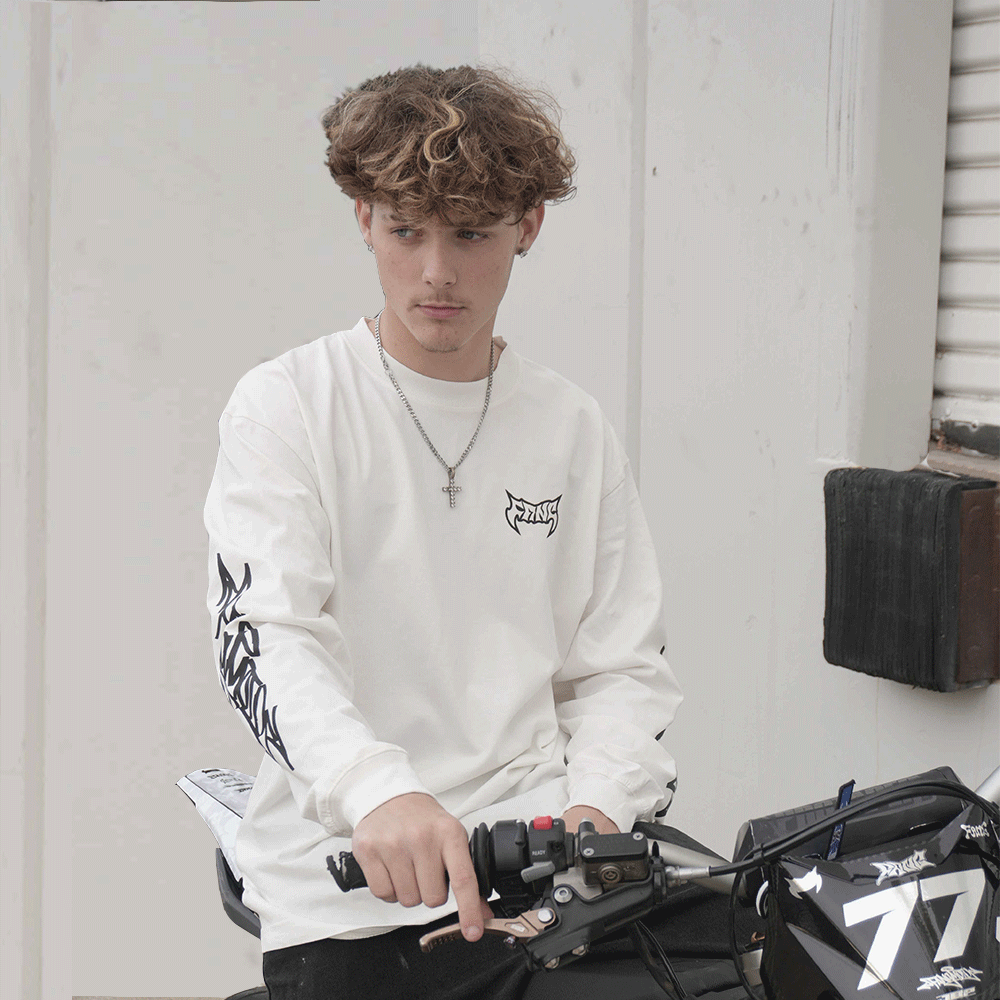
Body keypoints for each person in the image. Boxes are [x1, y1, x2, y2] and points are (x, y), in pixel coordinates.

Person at [204, 63, 683, 1000]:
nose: (436, 271)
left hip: (542, 872)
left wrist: (597, 810)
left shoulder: (569, 426)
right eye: (405, 230)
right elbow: (269, 635)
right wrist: (376, 790)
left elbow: (621, 667)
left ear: (527, 227)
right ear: (363, 219)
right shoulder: (288, 405)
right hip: (349, 878)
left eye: (470, 233)